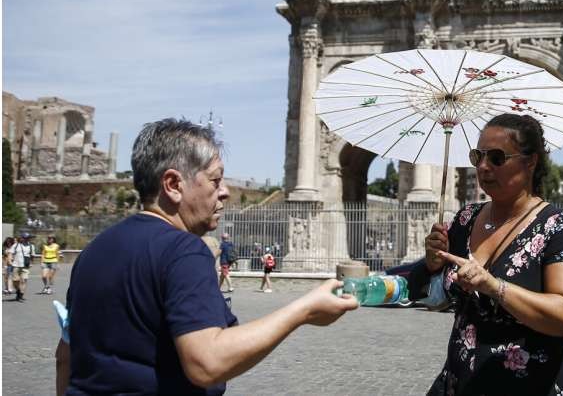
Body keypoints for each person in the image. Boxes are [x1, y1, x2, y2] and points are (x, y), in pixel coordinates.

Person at [55, 118, 358, 395]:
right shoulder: (183, 250)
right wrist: (303, 310)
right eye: (215, 180)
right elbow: (206, 363)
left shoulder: (92, 252)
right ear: (173, 185)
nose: (225, 192)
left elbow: (64, 357)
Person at [409, 113, 563, 395]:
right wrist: (432, 265)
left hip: (532, 385)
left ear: (530, 162)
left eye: (496, 157)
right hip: (460, 382)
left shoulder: (558, 225)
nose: (483, 166)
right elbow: (430, 297)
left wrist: (493, 286)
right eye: (477, 156)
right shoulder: (465, 220)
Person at [10, 232, 35, 302]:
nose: (27, 239)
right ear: (22, 238)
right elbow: (10, 253)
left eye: (28, 238)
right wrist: (10, 260)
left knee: (24, 280)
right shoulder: (16, 245)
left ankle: (20, 295)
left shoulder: (31, 246)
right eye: (25, 238)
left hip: (25, 266)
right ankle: (18, 291)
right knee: (15, 281)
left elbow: (32, 255)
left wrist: (31, 263)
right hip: (16, 265)